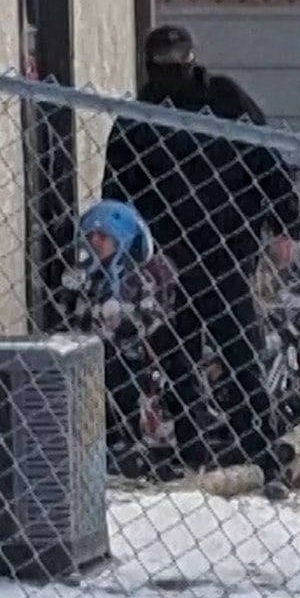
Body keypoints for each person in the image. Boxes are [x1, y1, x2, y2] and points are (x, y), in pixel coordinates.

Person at [102, 25, 300, 480]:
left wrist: (286, 223)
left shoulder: (217, 102)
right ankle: (210, 447)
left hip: (215, 250)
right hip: (177, 255)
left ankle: (251, 447)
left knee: (223, 349)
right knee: (192, 351)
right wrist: (285, 222)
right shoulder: (144, 116)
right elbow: (117, 188)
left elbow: (266, 159)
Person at [62, 200, 200, 476]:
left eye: (103, 237)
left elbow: (152, 320)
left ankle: (147, 445)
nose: (95, 242)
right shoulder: (91, 277)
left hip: (137, 357)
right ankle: (110, 443)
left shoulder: (144, 275)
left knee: (126, 376)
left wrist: (118, 319)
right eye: (90, 236)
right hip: (99, 355)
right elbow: (78, 320)